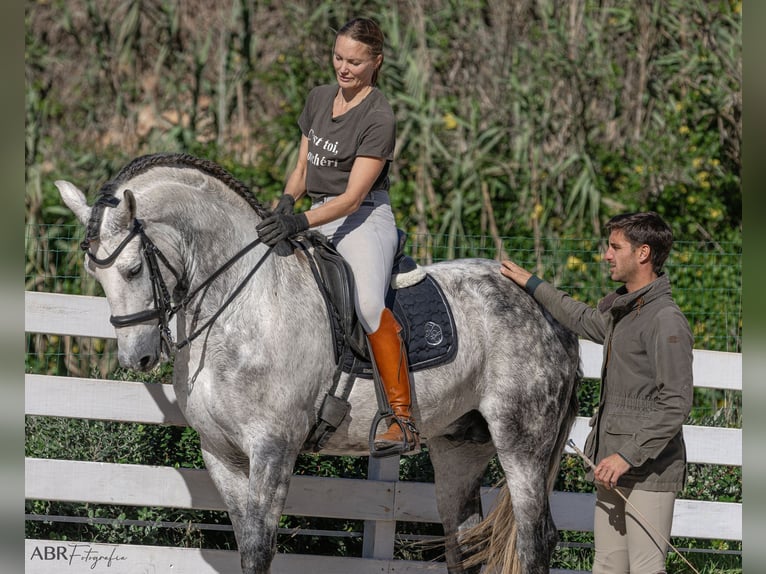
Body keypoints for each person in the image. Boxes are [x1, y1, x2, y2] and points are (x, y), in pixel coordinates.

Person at [256, 17, 419, 453]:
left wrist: (300, 224)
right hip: (312, 212)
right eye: (338, 57)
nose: (343, 68)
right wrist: (286, 204)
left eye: (354, 61)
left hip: (363, 218)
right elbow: (302, 169)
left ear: (375, 62)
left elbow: (350, 198)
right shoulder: (318, 99)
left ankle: (401, 419)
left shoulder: (378, 116)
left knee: (368, 304)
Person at [500, 212, 693, 574]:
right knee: (606, 566)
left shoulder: (665, 320)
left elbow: (676, 403)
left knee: (646, 569)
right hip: (611, 464)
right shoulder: (627, 314)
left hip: (648, 470)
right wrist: (532, 284)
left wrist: (626, 456)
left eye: (615, 247)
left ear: (643, 253)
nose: (606, 255)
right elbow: (581, 317)